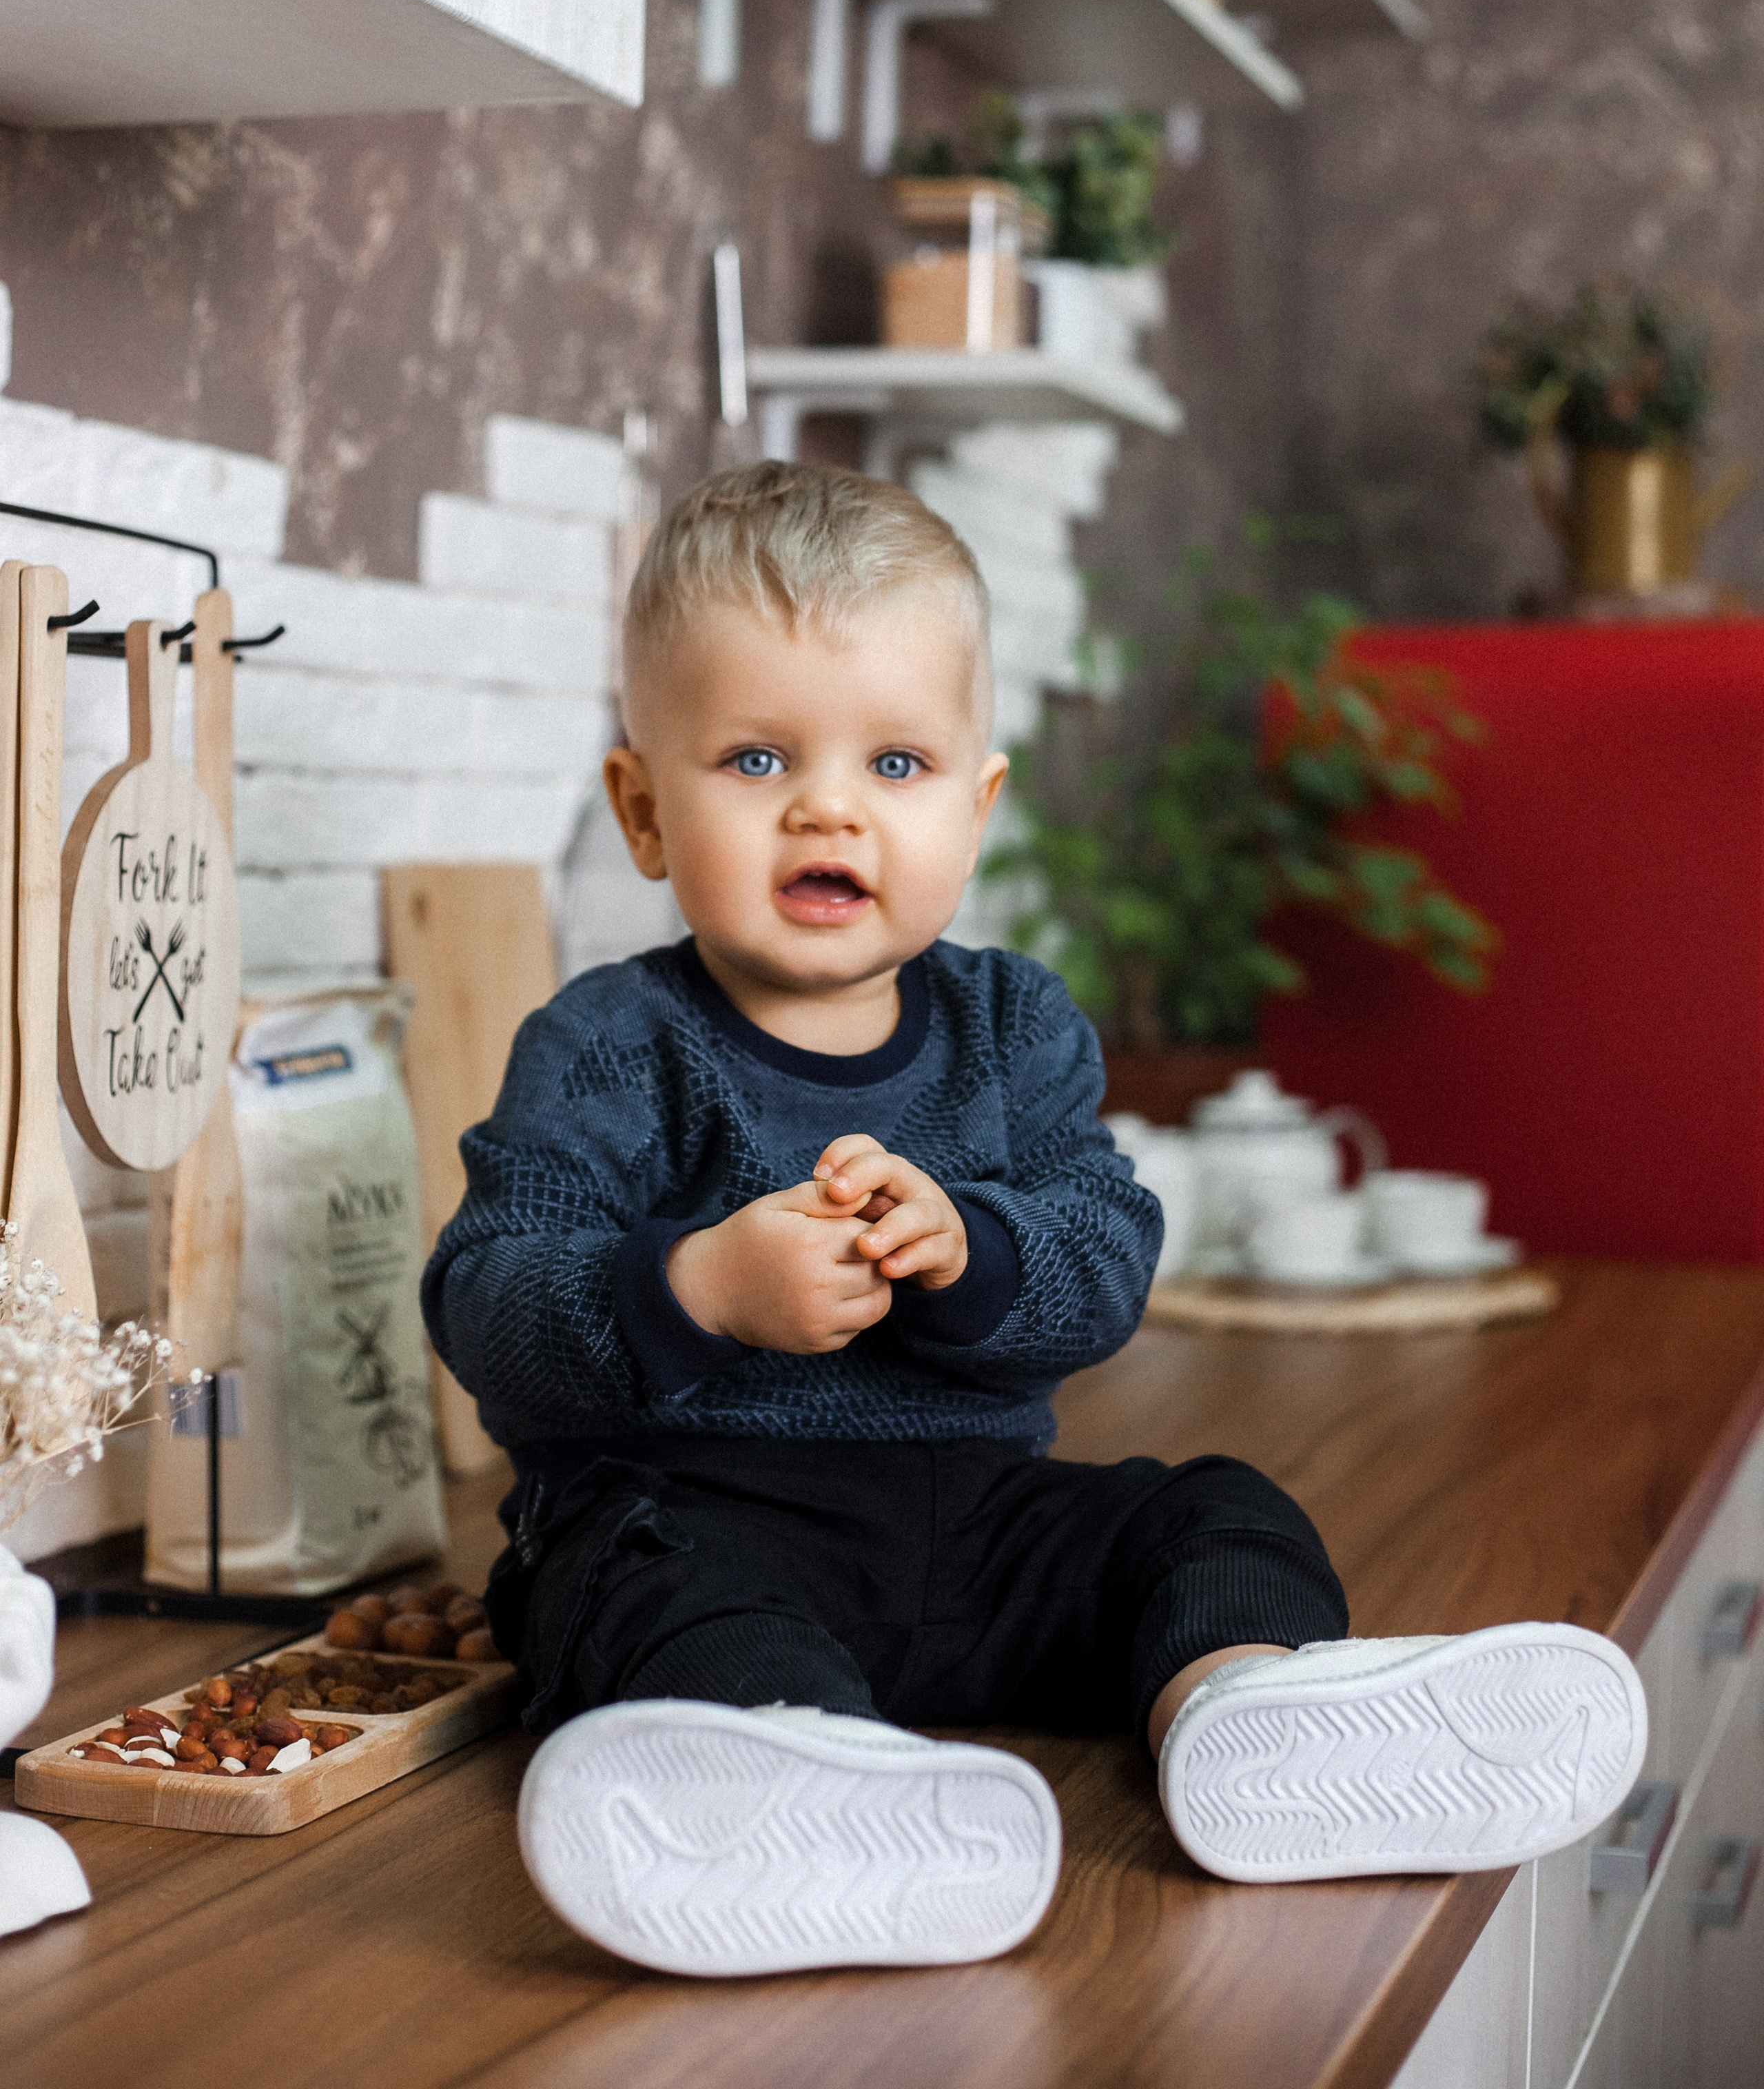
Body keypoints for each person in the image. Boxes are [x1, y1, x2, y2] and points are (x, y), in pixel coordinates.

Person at [422, 461, 1646, 1981]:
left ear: (976, 807)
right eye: (754, 758)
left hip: (981, 1532)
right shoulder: (608, 1043)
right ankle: (801, 1780)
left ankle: (1238, 1713)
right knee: (641, 1597)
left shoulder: (1014, 1030)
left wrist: (972, 1249)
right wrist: (697, 1288)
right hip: (703, 1515)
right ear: (642, 809)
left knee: (1214, 1510)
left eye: (895, 763)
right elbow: (485, 1298)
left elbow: (1107, 1255)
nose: (825, 805)